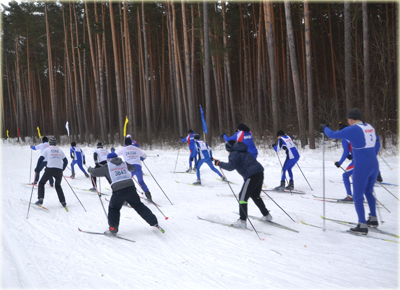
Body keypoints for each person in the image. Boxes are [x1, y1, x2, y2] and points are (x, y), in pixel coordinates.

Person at [320, 108, 379, 234]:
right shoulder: (369, 127)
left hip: (361, 166)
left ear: (351, 119)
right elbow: (377, 140)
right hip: (374, 164)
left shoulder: (353, 129)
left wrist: (324, 127)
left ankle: (362, 225)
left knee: (357, 195)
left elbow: (332, 134)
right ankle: (373, 218)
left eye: (348, 120)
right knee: (368, 191)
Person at [88, 152, 162, 235]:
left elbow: (95, 173)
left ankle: (113, 228)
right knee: (139, 206)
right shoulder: (124, 163)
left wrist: (89, 169)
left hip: (118, 191)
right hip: (131, 188)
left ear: (108, 160)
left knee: (114, 209)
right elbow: (133, 168)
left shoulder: (107, 166)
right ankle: (153, 221)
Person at [213, 140, 272, 228]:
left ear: (229, 149)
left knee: (242, 197)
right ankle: (266, 215)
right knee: (255, 195)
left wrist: (219, 163)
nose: (228, 152)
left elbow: (230, 167)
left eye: (227, 150)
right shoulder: (243, 150)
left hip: (251, 176)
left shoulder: (233, 153)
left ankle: (242, 220)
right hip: (259, 173)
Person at [34, 137, 68, 208]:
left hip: (50, 169)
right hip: (59, 171)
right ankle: (63, 202)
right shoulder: (60, 150)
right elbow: (66, 161)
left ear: (50, 143)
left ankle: (40, 200)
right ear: (55, 143)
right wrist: (62, 169)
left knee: (41, 183)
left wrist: (37, 167)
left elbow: (40, 159)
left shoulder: (47, 149)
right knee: (58, 186)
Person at [334, 122, 354, 202]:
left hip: (358, 161)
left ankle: (350, 196)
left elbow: (345, 152)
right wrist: (351, 156)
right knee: (356, 177)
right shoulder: (352, 136)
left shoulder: (344, 139)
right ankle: (360, 196)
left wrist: (340, 163)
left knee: (345, 175)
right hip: (364, 159)